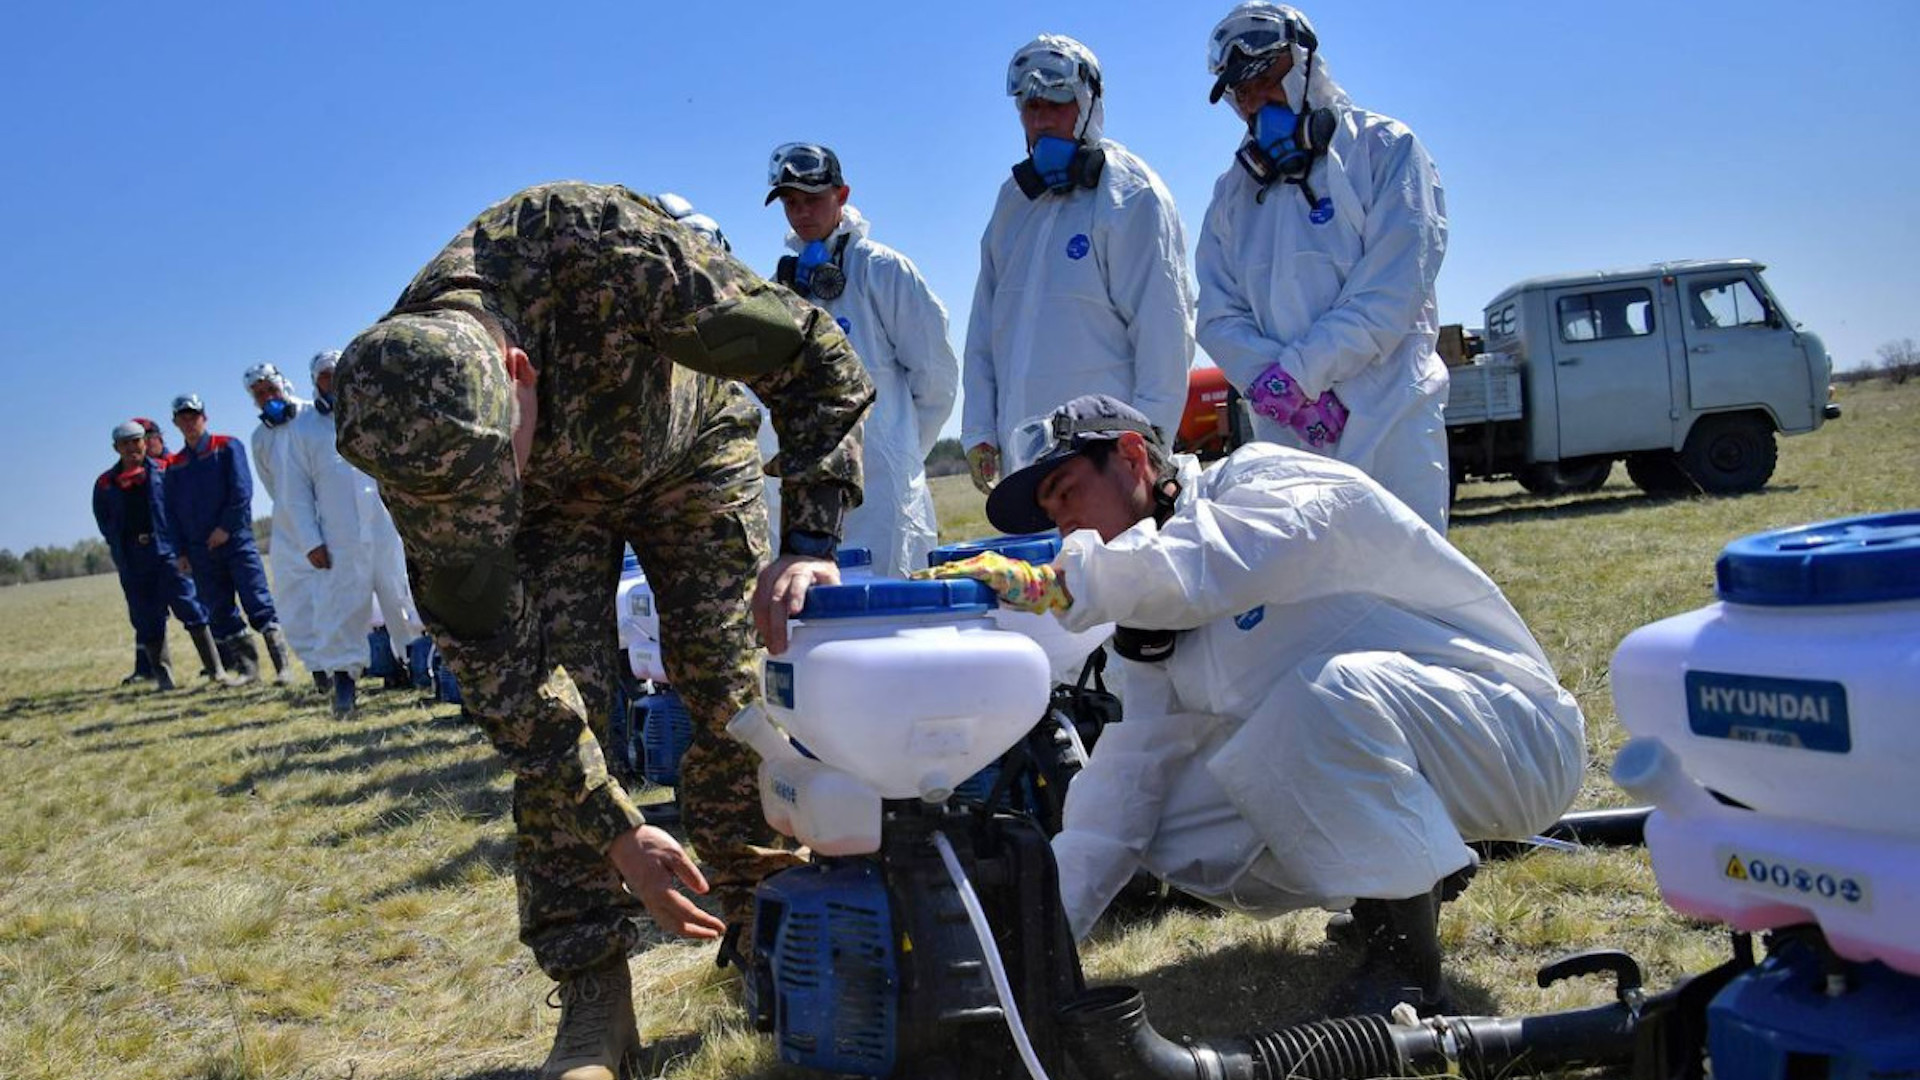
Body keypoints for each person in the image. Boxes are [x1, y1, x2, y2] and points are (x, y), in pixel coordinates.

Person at [333, 181, 873, 1080]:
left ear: (516, 375)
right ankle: (595, 998)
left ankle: (765, 931)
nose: (478, 508)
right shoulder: (414, 418)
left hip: (692, 452)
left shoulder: (616, 256)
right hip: (557, 513)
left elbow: (818, 361)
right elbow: (506, 679)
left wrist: (810, 539)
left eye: (487, 480)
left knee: (732, 689)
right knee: (567, 712)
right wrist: (616, 827)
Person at [924, 394, 1585, 1014]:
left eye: (1067, 493)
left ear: (1131, 456)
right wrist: (1036, 944)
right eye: (1051, 513)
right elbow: (1127, 782)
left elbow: (1219, 561)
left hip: (1516, 738)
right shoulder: (1153, 617)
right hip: (1415, 743)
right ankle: (1384, 891)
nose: (1063, 525)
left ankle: (1406, 967)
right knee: (1171, 820)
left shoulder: (1266, 483)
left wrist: (1056, 584)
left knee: (1318, 698)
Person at [1195, 2, 1452, 532]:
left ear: (1307, 65)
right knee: (1312, 600)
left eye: (1268, 77)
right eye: (1243, 93)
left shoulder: (1386, 150)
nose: (1257, 101)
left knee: (1409, 593)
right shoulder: (1231, 195)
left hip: (1392, 420)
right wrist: (1273, 388)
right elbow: (1218, 314)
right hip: (1289, 438)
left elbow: (1391, 294)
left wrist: (1298, 375)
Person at [961, 33, 1196, 495]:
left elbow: (1164, 338)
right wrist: (978, 431)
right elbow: (985, 331)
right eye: (1030, 108)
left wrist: (1147, 457)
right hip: (1024, 458)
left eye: (1057, 103)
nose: (1042, 119)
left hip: (1108, 463)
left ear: (1089, 103)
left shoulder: (1131, 195)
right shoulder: (1012, 204)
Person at [767, 142, 959, 575]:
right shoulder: (779, 290)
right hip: (807, 501)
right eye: (790, 203)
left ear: (842, 195)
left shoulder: (884, 271)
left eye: (812, 200)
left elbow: (937, 380)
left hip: (884, 493)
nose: (801, 213)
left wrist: (899, 448)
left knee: (894, 617)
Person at [287, 348, 429, 717]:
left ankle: (421, 671)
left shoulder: (376, 414)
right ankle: (345, 687)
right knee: (342, 609)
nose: (332, 382)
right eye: (324, 376)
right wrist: (311, 541)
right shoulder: (304, 429)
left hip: (386, 529)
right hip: (338, 539)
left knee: (403, 597)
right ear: (314, 381)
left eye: (338, 374)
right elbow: (296, 492)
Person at [93, 420, 239, 690]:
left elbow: (180, 508)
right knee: (146, 617)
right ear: (116, 448)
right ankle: (163, 677)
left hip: (168, 553)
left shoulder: (164, 470)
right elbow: (105, 522)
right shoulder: (105, 484)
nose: (132, 448)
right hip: (133, 558)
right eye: (125, 444)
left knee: (192, 609)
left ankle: (216, 669)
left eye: (136, 441)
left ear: (144, 442)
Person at [164, 393, 293, 685]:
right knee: (220, 610)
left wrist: (226, 527)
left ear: (204, 417)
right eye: (182, 418)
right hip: (200, 551)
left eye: (193, 415)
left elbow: (241, 491)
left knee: (257, 601)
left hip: (235, 542)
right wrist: (180, 552)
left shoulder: (227, 447)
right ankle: (249, 670)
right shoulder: (175, 464)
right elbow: (170, 512)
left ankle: (283, 667)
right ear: (175, 422)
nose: (189, 422)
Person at [245, 362, 324, 693]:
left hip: (329, 517)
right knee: (295, 599)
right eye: (259, 394)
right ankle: (319, 669)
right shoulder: (260, 438)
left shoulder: (312, 417)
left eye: (271, 390)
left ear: (284, 385)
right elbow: (271, 486)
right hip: (288, 528)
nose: (267, 398)